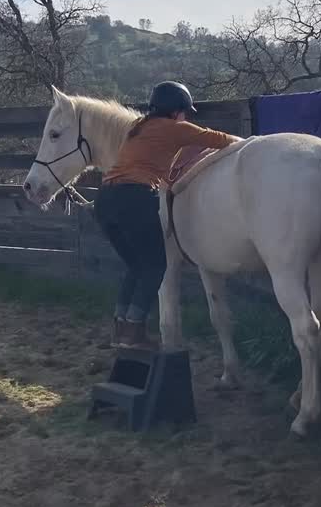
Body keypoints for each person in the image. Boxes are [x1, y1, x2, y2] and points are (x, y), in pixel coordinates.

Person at [94, 81, 239, 350]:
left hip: (104, 200)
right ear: (176, 111)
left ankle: (120, 330)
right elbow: (220, 140)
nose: (186, 117)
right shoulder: (175, 128)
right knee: (155, 266)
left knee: (136, 266)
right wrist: (253, 145)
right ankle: (135, 332)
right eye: (185, 111)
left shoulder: (139, 128)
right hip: (134, 198)